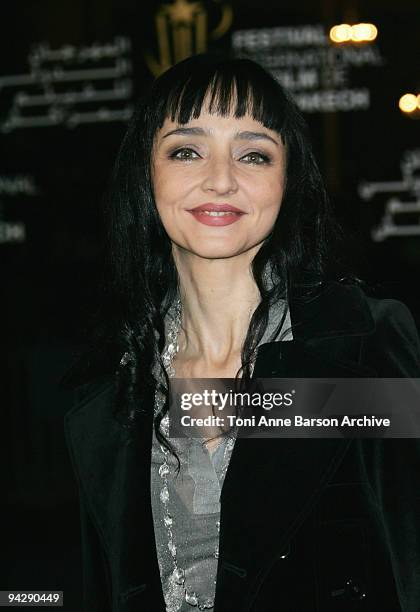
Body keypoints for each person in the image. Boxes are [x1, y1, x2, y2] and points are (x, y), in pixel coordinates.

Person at [61, 54, 420, 611]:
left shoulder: (363, 344)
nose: (221, 179)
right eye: (187, 150)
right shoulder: (108, 390)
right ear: (146, 175)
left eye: (253, 154)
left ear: (287, 180)